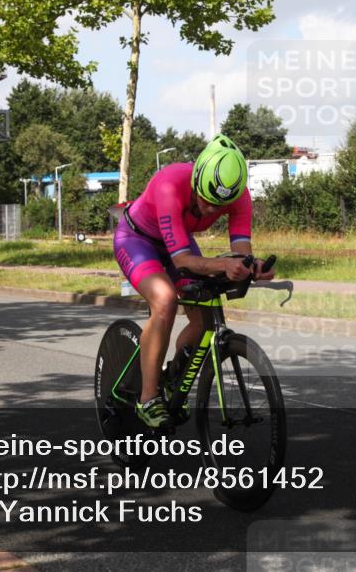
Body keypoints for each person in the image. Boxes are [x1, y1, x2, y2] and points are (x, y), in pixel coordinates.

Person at [113, 135, 275, 429]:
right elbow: (182, 261)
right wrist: (223, 264)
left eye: (220, 206)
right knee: (164, 300)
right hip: (137, 239)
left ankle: (175, 374)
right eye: (207, 201)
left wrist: (252, 267)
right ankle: (147, 398)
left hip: (177, 242)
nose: (212, 211)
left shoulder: (239, 197)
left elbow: (241, 252)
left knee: (203, 315)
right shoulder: (169, 184)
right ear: (196, 180)